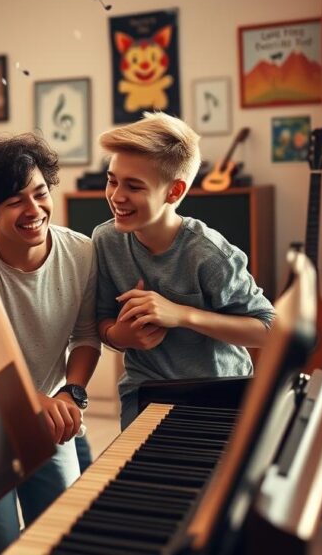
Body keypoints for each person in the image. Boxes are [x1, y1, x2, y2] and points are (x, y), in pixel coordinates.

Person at [0, 133, 100, 554]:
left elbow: (86, 336)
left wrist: (71, 392)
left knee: (63, 527)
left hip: (48, 414)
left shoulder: (82, 252)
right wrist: (33, 400)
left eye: (40, 193)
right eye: (15, 201)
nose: (34, 210)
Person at [94, 112, 275, 430]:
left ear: (174, 192)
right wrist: (119, 335)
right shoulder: (105, 240)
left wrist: (181, 315)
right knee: (138, 478)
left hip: (221, 395)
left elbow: (269, 330)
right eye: (111, 180)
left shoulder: (211, 255)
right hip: (144, 391)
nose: (116, 196)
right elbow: (101, 320)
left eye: (134, 186)